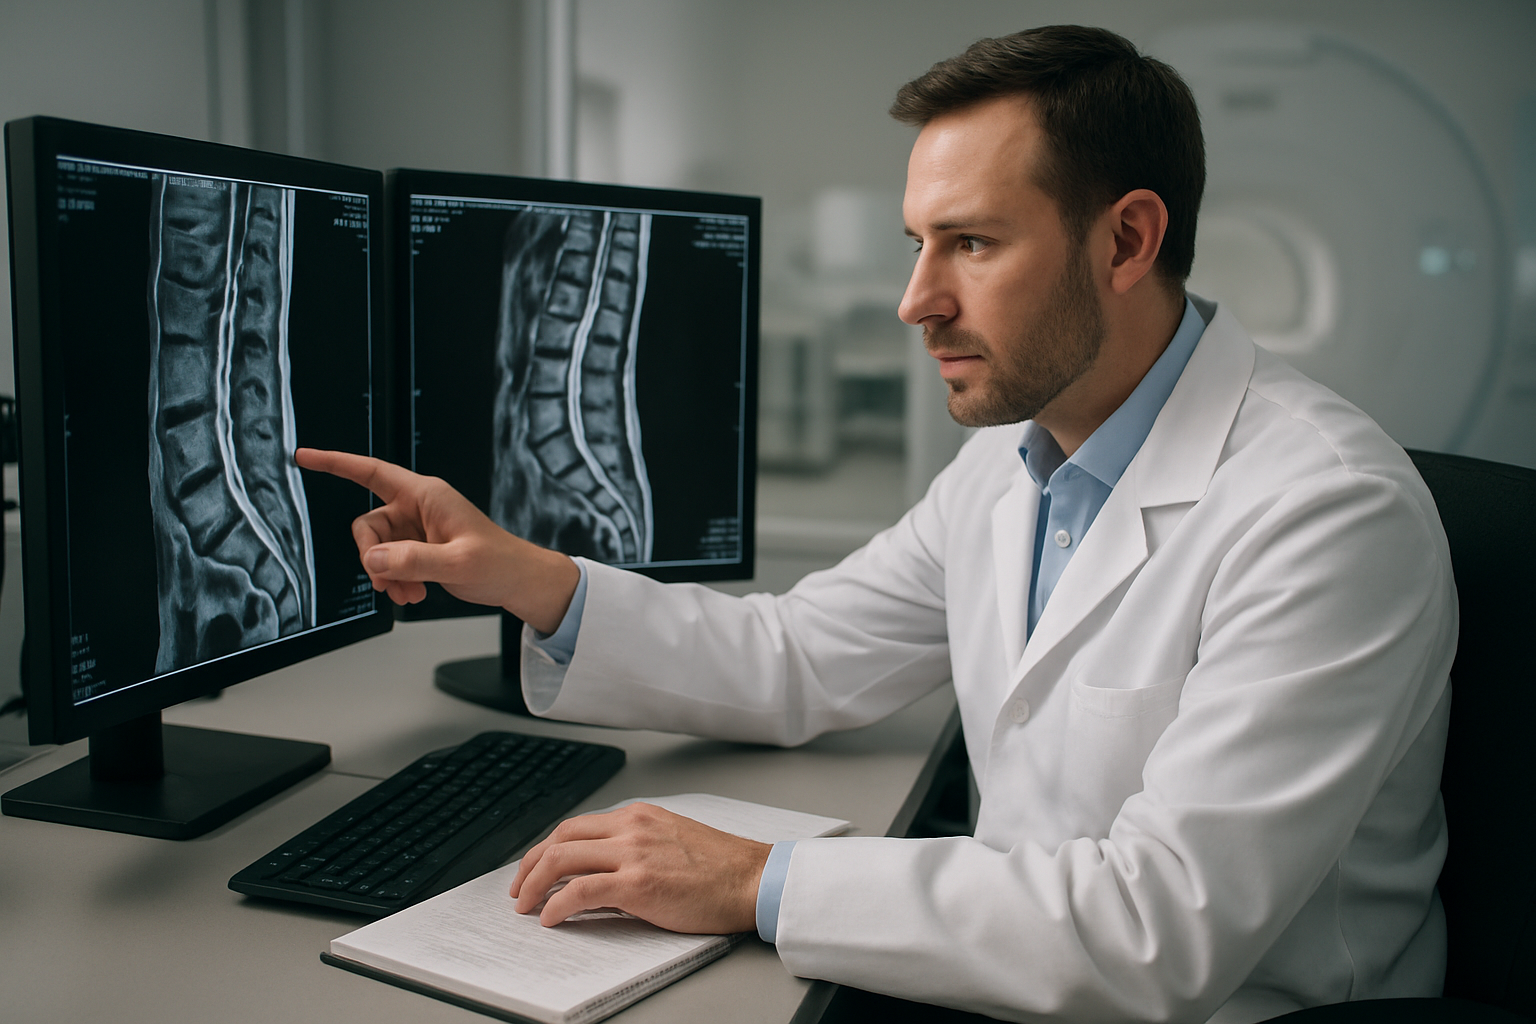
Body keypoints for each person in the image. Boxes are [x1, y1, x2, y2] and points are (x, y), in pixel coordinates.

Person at [297, 25, 1456, 1024]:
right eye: (919, 244)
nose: (917, 302)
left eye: (974, 243)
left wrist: (758, 880)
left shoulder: (1325, 513)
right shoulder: (1015, 456)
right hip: (1016, 978)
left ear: (1127, 241)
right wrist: (528, 577)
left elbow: (1161, 929)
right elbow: (800, 655)